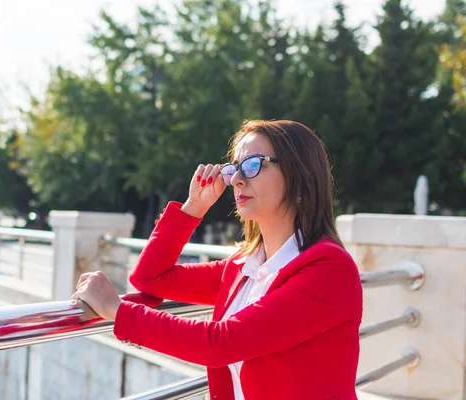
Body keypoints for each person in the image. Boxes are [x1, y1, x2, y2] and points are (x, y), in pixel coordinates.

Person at [72, 120, 363, 400]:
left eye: (253, 165)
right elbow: (150, 278)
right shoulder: (244, 266)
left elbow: (220, 343)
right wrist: (193, 208)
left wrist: (115, 309)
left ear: (299, 177)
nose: (236, 179)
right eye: (233, 168)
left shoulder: (328, 269)